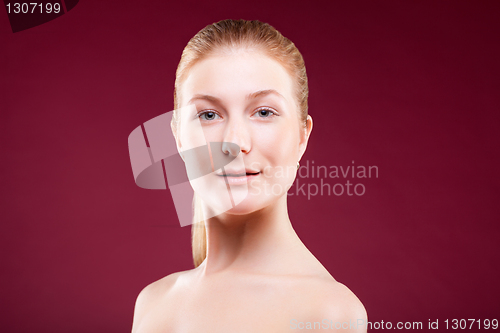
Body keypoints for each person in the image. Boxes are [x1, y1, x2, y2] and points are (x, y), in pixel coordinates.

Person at [131, 19, 367, 332]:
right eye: (209, 115)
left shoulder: (330, 313)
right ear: (178, 138)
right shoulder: (153, 302)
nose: (237, 143)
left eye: (264, 112)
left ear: (301, 136)